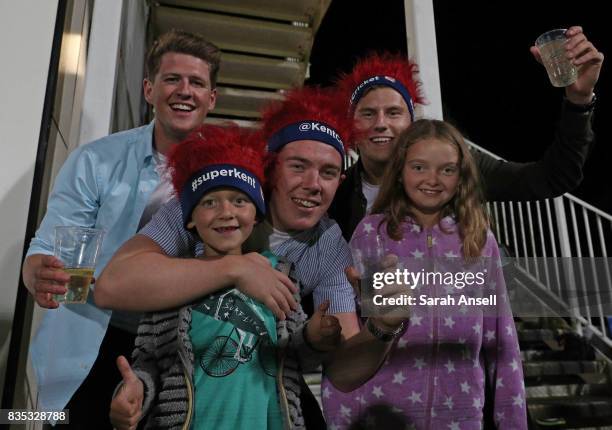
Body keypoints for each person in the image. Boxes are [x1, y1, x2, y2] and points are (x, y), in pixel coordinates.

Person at [96, 87, 407, 426]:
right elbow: (111, 286)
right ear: (269, 170)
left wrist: (381, 329)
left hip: (260, 390)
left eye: (328, 173)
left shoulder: (329, 244)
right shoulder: (211, 202)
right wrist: (235, 268)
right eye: (298, 166)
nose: (313, 184)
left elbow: (343, 372)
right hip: (179, 384)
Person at [21, 29, 220, 427]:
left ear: (211, 99)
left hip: (175, 349)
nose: (185, 91)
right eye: (171, 79)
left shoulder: (227, 174)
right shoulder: (96, 160)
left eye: (197, 83)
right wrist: (37, 271)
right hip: (87, 341)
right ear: (148, 89)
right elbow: (49, 243)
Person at [107, 125, 343, 429]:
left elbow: (294, 354)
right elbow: (149, 363)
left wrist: (314, 336)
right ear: (190, 218)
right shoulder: (171, 282)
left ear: (257, 214)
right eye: (209, 202)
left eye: (239, 201)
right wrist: (135, 390)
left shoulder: (282, 274)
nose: (226, 212)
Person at [323, 119, 527, 429]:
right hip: (383, 418)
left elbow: (502, 343)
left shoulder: (479, 240)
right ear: (400, 171)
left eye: (447, 169)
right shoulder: (371, 234)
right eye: (419, 167)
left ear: (461, 177)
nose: (433, 179)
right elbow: (349, 350)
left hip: (461, 419)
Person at [329, 26, 604, 240]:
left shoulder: (455, 167)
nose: (381, 123)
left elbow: (554, 177)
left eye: (393, 112)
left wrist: (579, 102)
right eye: (367, 113)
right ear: (350, 124)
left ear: (410, 122)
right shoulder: (336, 196)